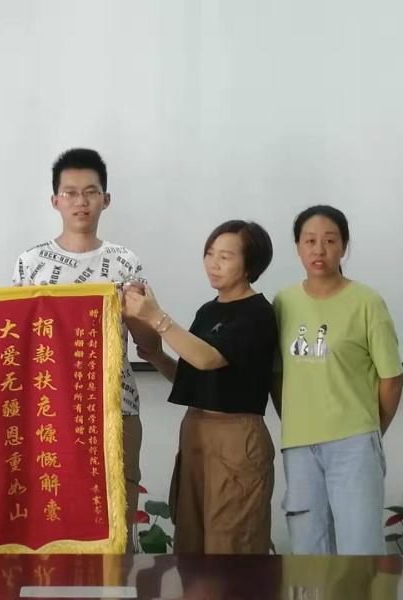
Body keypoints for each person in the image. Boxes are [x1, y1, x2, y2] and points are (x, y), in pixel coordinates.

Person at [12, 148, 160, 549]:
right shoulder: (32, 263)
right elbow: (19, 343)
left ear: (105, 199)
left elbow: (149, 345)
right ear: (55, 200)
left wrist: (139, 314)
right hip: (50, 409)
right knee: (54, 518)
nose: (81, 202)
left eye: (91, 192)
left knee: (116, 523)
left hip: (116, 406)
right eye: (71, 193)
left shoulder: (125, 262)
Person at [123, 220, 277, 554]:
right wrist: (157, 357)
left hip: (235, 436)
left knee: (231, 545)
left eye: (225, 256)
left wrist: (156, 317)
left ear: (250, 265)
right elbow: (192, 375)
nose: (213, 263)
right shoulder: (208, 311)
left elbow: (208, 359)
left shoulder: (257, 313)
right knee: (190, 543)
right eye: (209, 253)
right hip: (195, 431)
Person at [274, 204, 403, 555]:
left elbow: (392, 379)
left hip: (353, 443)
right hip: (299, 447)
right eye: (309, 241)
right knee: (308, 550)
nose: (319, 250)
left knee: (360, 550)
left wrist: (370, 430)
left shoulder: (367, 303)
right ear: (298, 246)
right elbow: (277, 375)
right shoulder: (283, 302)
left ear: (344, 246)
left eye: (330, 240)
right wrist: (297, 420)